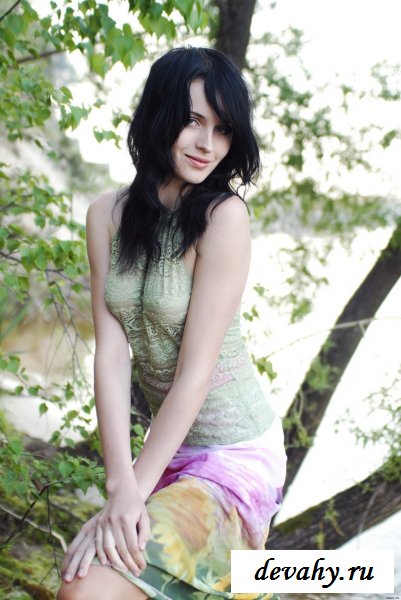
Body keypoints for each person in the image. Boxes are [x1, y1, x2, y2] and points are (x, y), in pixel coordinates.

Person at [57, 46, 287, 600]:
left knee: (88, 586)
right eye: (192, 121)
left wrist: (133, 491)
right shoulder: (105, 215)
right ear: (159, 114)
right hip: (166, 449)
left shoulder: (222, 218)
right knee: (80, 578)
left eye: (223, 129)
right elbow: (112, 355)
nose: (208, 144)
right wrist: (120, 484)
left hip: (234, 453)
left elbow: (195, 374)